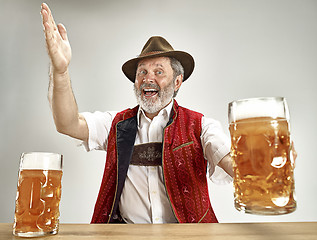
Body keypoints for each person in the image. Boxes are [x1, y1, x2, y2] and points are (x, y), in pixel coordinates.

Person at [40, 3, 237, 224]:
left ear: (177, 81)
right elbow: (67, 123)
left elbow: (230, 162)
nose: (147, 78)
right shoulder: (116, 124)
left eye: (158, 71)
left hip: (189, 238)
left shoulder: (201, 126)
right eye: (142, 72)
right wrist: (60, 70)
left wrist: (262, 163)